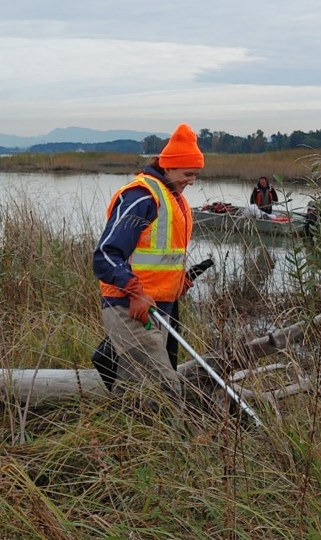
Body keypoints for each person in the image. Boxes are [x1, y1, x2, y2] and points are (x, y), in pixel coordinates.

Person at [92, 123, 203, 413]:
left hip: (159, 309)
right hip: (129, 307)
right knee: (165, 389)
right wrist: (136, 291)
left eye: (195, 175)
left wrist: (178, 280)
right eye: (187, 174)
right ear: (169, 167)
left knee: (134, 391)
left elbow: (158, 258)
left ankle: (127, 446)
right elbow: (106, 255)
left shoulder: (174, 198)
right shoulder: (141, 197)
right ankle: (178, 452)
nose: (191, 181)